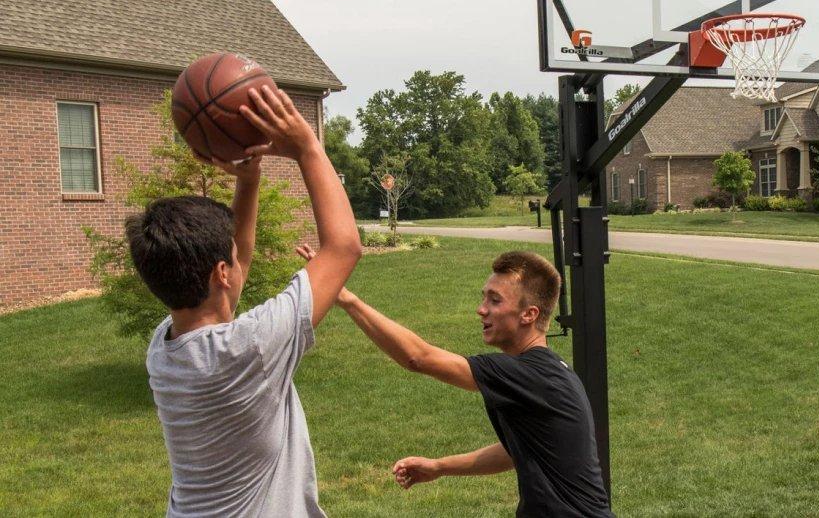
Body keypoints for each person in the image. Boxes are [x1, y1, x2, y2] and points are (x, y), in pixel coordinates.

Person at [129, 86, 361, 517]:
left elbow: (232, 273)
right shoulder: (250, 348)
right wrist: (308, 146)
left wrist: (248, 178)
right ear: (220, 272)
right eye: (232, 259)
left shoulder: (164, 349)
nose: (240, 260)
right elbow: (344, 248)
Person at [296, 244, 612, 517]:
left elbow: (417, 357)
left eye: (495, 301)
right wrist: (440, 466)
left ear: (528, 314)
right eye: (484, 298)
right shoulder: (543, 373)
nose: (481, 309)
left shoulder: (530, 374)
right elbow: (518, 450)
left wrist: (348, 300)